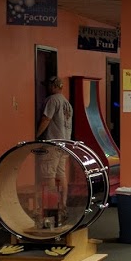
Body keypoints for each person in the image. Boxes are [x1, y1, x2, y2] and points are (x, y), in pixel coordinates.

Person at [35, 76, 74, 226]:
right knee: (61, 174)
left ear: (53, 86)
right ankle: (62, 205)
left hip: (52, 143)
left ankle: (52, 208)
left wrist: (37, 135)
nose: (47, 88)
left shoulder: (52, 100)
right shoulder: (67, 103)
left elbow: (46, 119)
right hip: (64, 143)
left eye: (49, 85)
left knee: (48, 176)